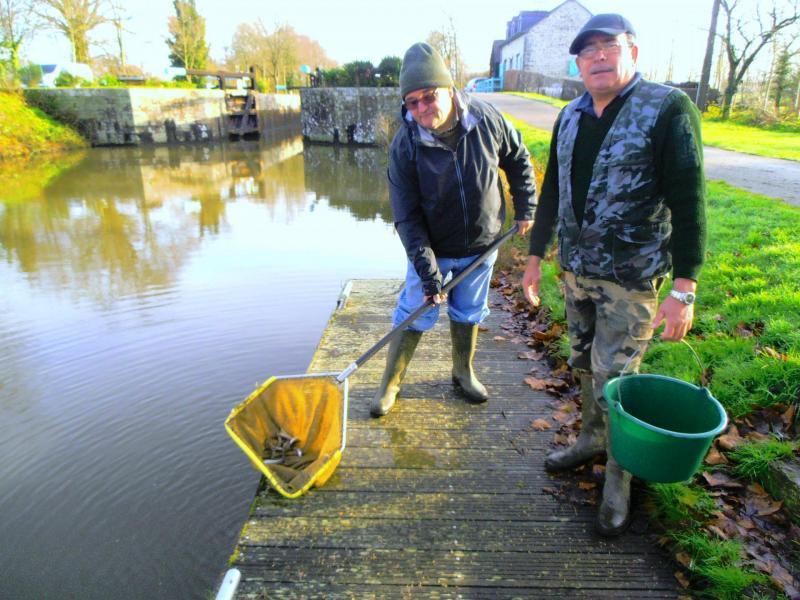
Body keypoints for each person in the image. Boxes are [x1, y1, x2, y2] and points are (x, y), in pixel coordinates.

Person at [521, 14, 706, 535]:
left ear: (633, 53)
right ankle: (590, 440)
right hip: (576, 272)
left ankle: (619, 476)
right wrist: (536, 258)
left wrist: (685, 287)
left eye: (610, 46)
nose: (598, 57)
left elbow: (690, 201)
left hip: (632, 280)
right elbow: (553, 190)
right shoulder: (571, 115)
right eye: (588, 51)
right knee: (583, 364)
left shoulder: (667, 109)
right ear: (578, 63)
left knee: (617, 378)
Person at [372, 42, 537, 417]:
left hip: (483, 244)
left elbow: (518, 157)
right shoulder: (405, 146)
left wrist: (526, 206)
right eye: (411, 103)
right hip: (433, 246)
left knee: (470, 311)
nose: (420, 109)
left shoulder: (486, 118)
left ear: (449, 88)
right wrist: (429, 275)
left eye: (428, 97)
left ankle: (462, 373)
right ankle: (390, 383)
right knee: (414, 309)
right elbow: (407, 218)